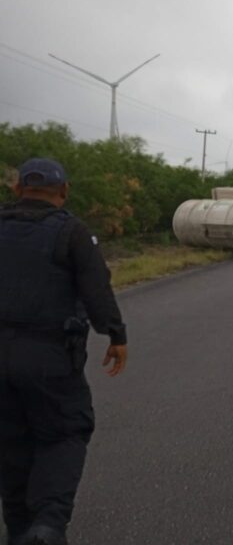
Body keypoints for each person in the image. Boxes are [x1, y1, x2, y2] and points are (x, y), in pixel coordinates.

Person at [0, 159, 128, 545]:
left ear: (17, 189)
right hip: (49, 357)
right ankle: (48, 525)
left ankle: (20, 529)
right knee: (64, 433)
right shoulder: (71, 232)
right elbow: (96, 288)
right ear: (64, 191)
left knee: (10, 440)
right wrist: (116, 334)